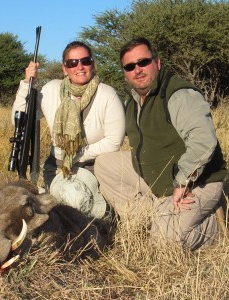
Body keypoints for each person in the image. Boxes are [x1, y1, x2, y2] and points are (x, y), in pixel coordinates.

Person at [94, 37, 227, 250]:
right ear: (125, 73)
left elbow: (203, 141)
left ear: (157, 62)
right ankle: (150, 217)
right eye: (129, 66)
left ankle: (217, 226)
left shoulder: (179, 94)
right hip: (157, 178)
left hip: (198, 182)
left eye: (143, 62)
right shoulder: (133, 100)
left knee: (165, 240)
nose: (137, 70)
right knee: (104, 164)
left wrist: (182, 182)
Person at [12, 41, 125, 193]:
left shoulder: (108, 94)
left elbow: (114, 142)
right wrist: (27, 84)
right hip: (56, 166)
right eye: (72, 63)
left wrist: (77, 156)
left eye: (85, 61)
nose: (80, 67)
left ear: (93, 64)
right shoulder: (51, 89)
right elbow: (20, 121)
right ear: (64, 68)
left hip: (94, 167)